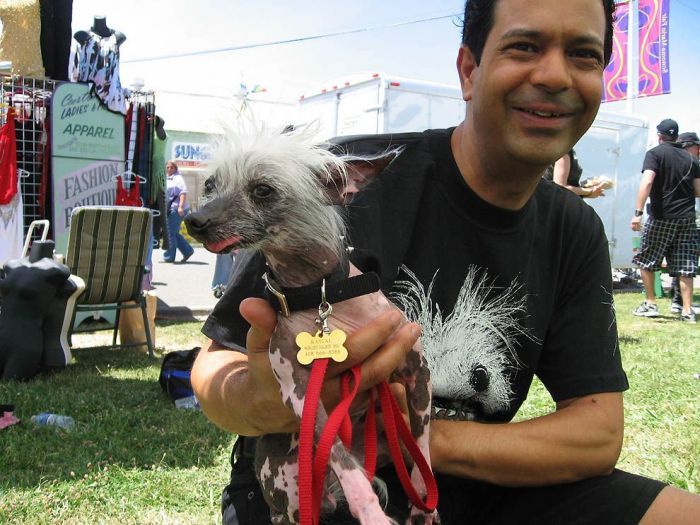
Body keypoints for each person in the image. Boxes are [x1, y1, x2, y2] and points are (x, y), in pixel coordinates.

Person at [193, 1, 700, 523]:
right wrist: (257, 400)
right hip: (316, 486)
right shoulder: (343, 184)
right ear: (469, 70)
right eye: (524, 46)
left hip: (471, 478)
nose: (554, 75)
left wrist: (415, 437)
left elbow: (595, 436)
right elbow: (215, 366)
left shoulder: (573, 228)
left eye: (583, 55)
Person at [631, 120, 700, 323]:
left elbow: (648, 181)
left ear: (659, 136)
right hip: (687, 217)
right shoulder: (692, 159)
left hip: (662, 216)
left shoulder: (655, 154)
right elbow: (698, 190)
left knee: (646, 259)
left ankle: (650, 303)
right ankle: (688, 310)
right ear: (676, 136)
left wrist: (637, 212)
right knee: (686, 265)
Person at [669, 131, 700, 314]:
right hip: (687, 219)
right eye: (696, 146)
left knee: (683, 260)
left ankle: (679, 301)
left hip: (689, 218)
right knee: (683, 260)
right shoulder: (685, 165)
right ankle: (678, 300)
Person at [163, 161, 194, 263]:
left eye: (171, 168)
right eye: (167, 167)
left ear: (175, 168)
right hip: (171, 208)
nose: (169, 169)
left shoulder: (178, 178)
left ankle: (169, 257)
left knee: (170, 232)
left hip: (177, 209)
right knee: (173, 232)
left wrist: (180, 207)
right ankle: (187, 251)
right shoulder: (167, 178)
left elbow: (183, 193)